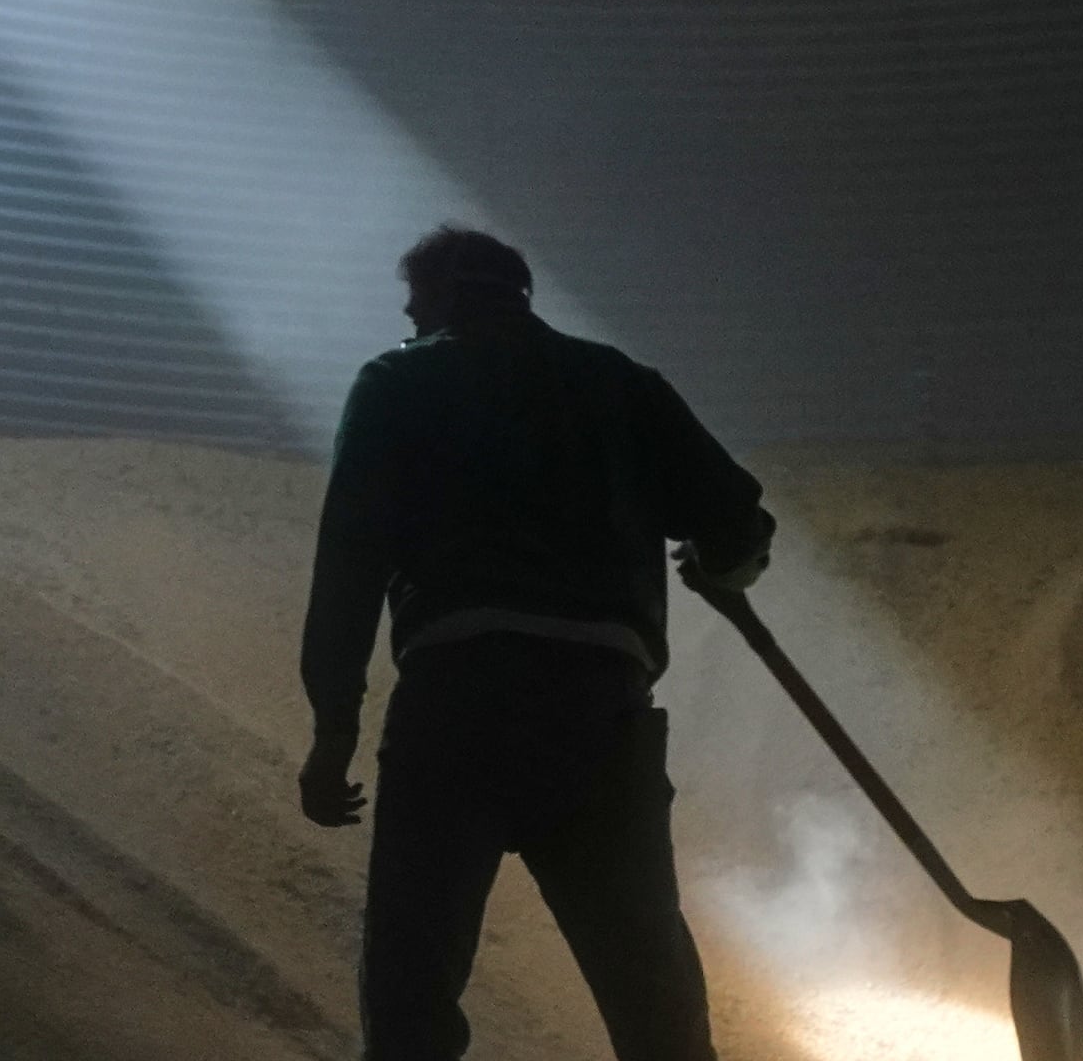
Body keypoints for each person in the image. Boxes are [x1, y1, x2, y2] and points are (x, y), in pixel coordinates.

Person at [297, 225, 774, 1061]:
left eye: (416, 310)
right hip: (597, 713)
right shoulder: (618, 384)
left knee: (413, 986)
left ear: (440, 297)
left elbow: (350, 561)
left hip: (457, 706)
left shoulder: (398, 380)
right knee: (650, 989)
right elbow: (736, 523)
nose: (412, 325)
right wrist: (720, 563)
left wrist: (333, 729)